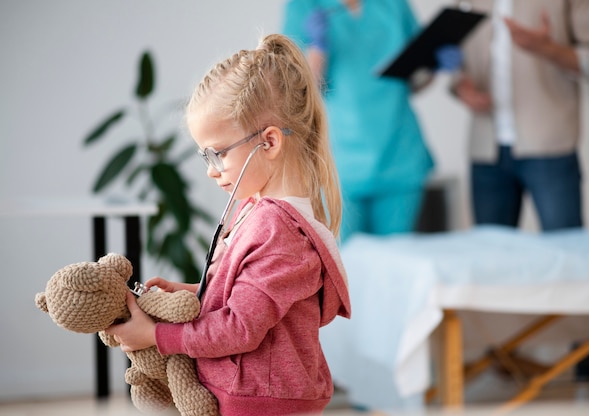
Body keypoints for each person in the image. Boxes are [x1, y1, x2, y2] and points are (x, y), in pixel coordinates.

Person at [106, 34, 351, 416]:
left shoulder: (278, 230)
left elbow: (239, 328)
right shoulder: (257, 209)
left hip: (263, 400)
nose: (210, 170)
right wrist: (193, 291)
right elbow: (244, 298)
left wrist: (155, 335)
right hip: (254, 392)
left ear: (269, 142)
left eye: (217, 153)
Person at [282, 0, 461, 242]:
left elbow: (415, 81)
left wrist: (433, 64)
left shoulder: (394, 5)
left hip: (399, 153)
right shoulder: (304, 7)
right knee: (344, 266)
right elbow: (296, 94)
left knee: (395, 262)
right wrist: (317, 49)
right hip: (340, 162)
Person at [451, 0, 589, 230]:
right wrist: (460, 87)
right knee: (491, 257)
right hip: (485, 149)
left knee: (567, 251)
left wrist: (549, 49)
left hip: (549, 145)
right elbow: (452, 54)